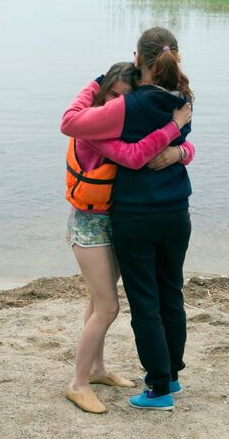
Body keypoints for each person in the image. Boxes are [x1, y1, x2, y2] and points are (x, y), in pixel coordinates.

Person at [61, 27, 194, 411]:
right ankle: (160, 378)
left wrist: (180, 150)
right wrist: (178, 144)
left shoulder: (125, 108)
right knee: (151, 297)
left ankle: (155, 386)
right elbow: (160, 148)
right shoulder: (182, 100)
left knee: (140, 302)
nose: (116, 101)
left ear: (138, 60)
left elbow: (72, 121)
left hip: (132, 217)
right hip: (165, 212)